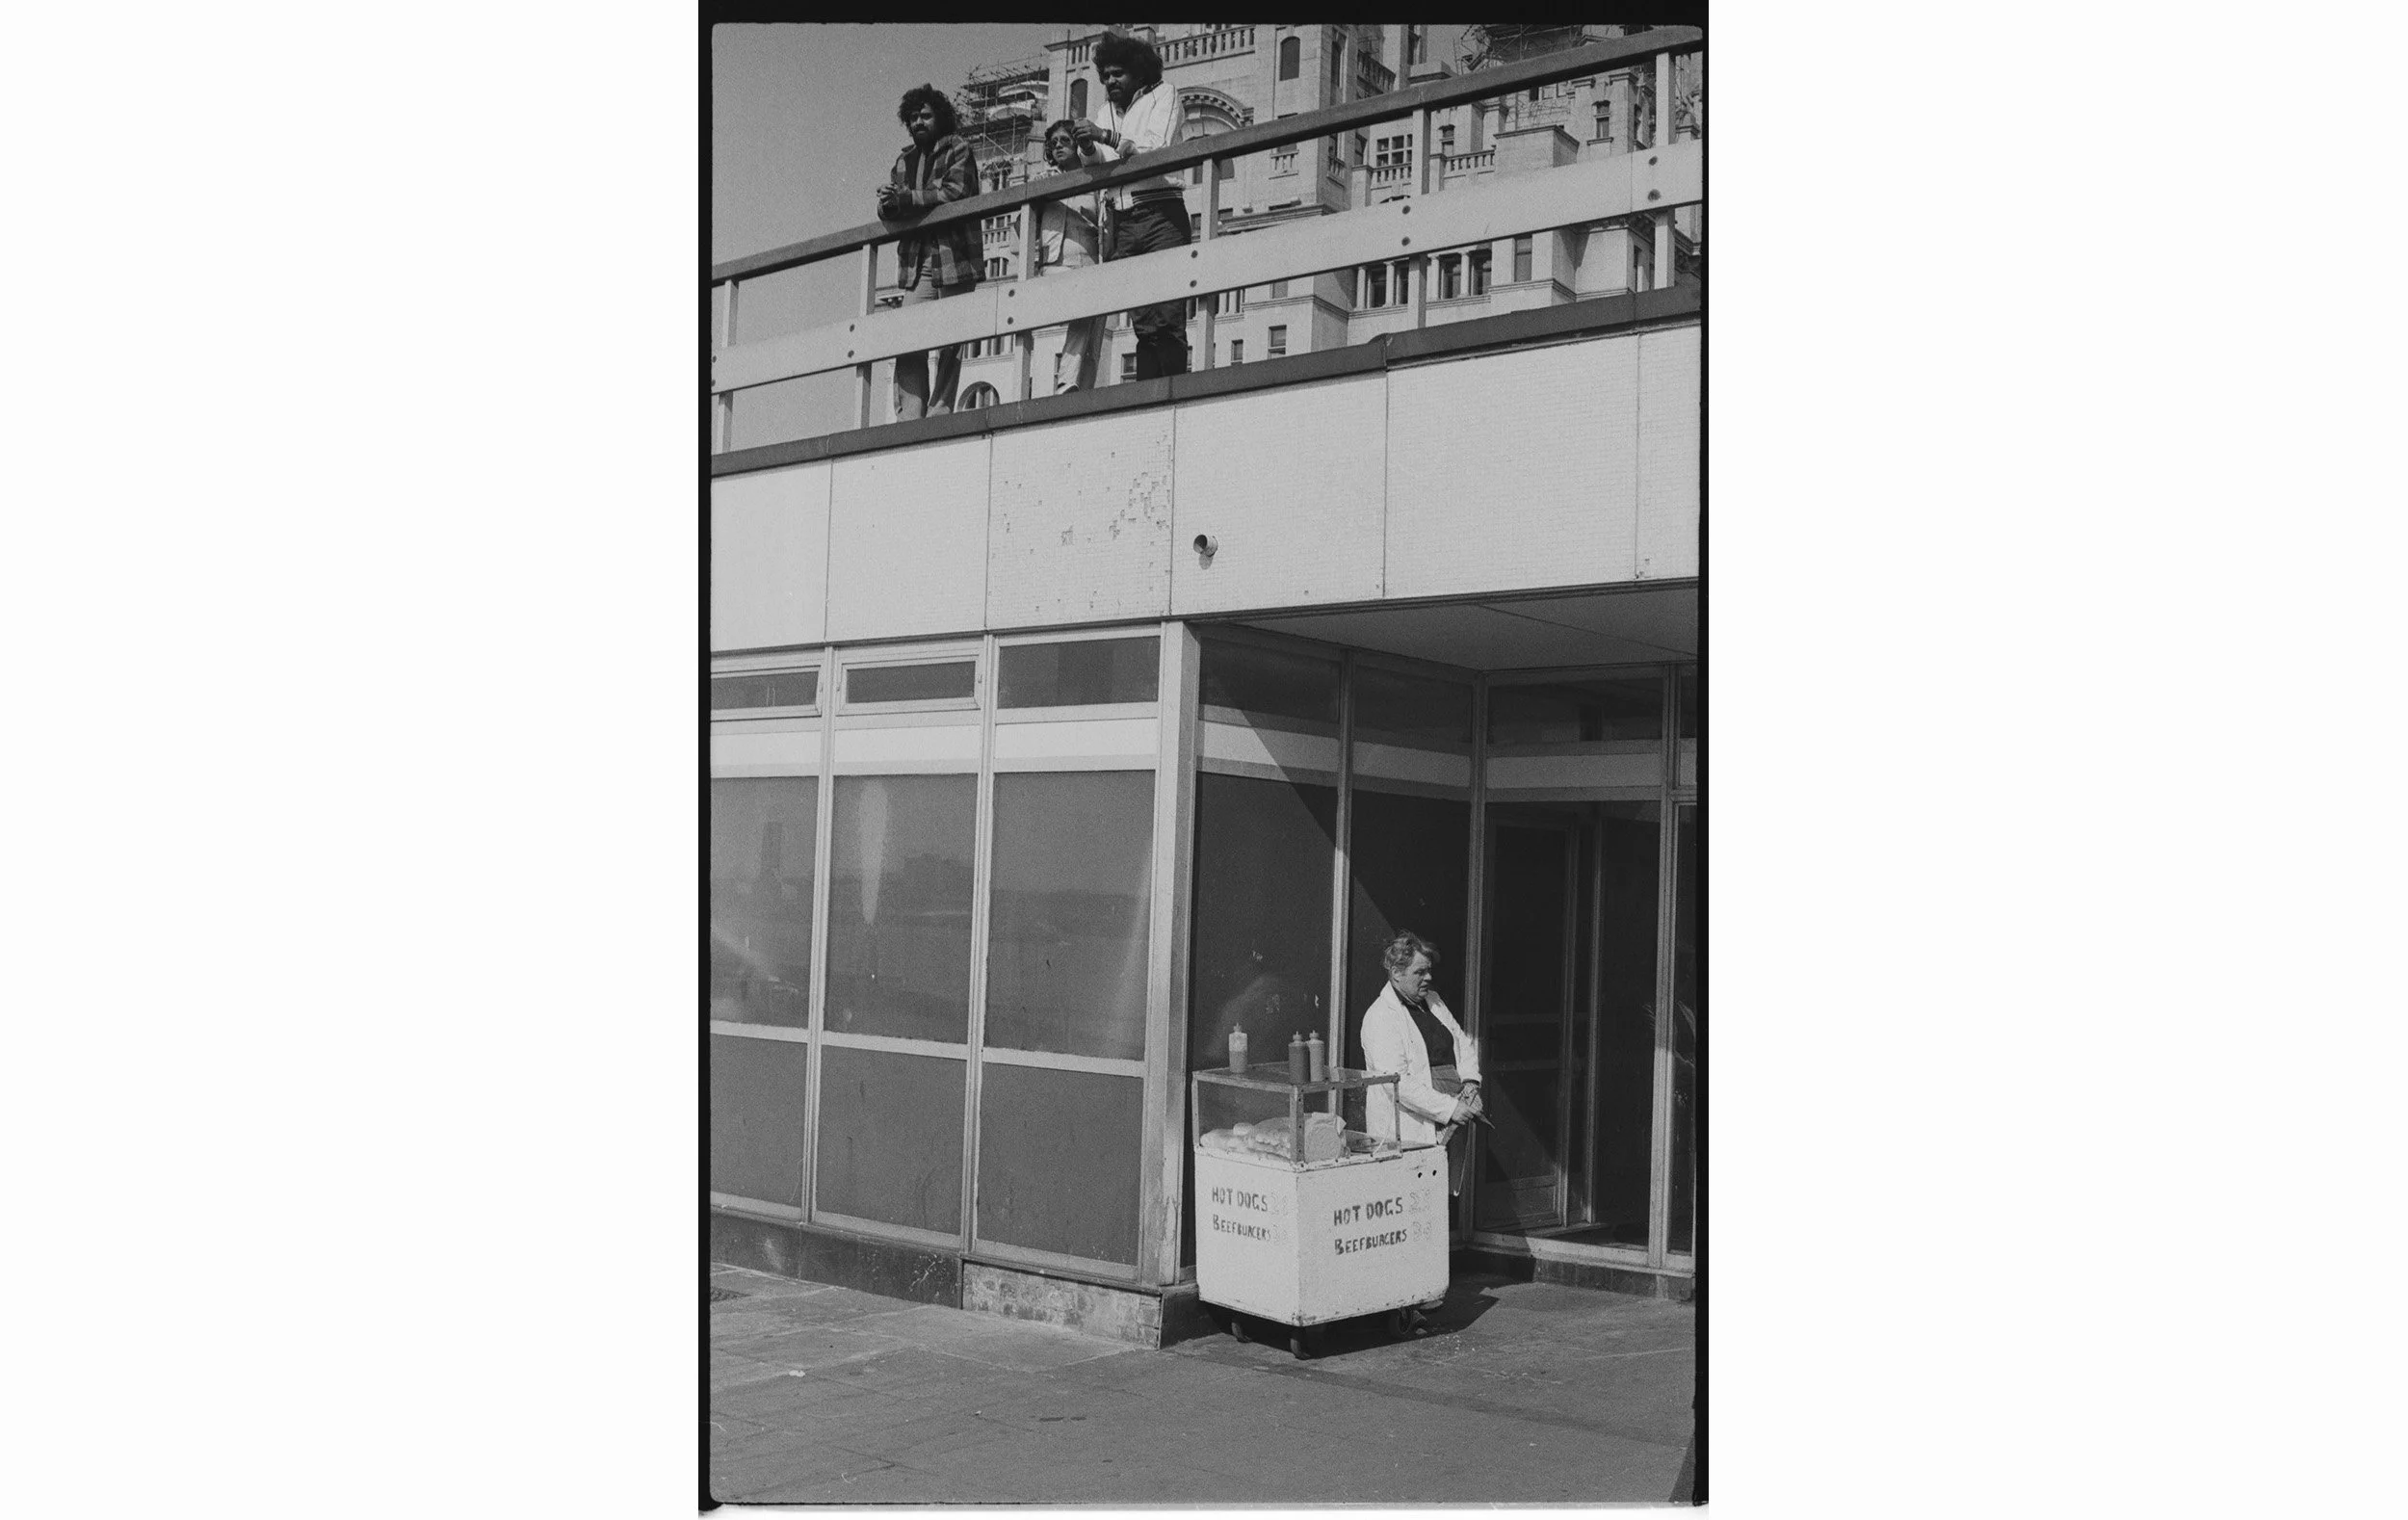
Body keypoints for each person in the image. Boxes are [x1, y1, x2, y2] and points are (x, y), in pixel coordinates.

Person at [1359, 930, 1484, 1333]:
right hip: (1408, 1127)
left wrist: (1471, 1082)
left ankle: (1424, 1291)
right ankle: (1401, 1303)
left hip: (1445, 1118)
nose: (1428, 978)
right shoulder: (1381, 1018)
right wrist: (1450, 1108)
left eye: (1429, 971)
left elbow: (1462, 1041)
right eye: (1420, 972)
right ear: (1396, 973)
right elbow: (1399, 1084)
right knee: (1407, 1214)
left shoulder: (1432, 1002)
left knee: (1430, 1208)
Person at [1070, 32, 1190, 379]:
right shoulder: (1104, 110)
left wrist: (1103, 136)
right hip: (1120, 220)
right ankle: (1147, 394)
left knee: (1168, 314)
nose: (1110, 81)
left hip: (1160, 213)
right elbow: (1097, 163)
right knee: (1142, 320)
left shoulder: (1163, 95)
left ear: (1138, 72)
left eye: (1118, 73)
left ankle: (1173, 393)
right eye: (1106, 75)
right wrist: (1088, 146)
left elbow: (1154, 148)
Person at [877, 84, 982, 419]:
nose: (918, 122)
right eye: (913, 118)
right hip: (918, 259)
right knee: (908, 336)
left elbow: (955, 191)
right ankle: (910, 413)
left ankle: (941, 409)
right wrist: (889, 203)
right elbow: (892, 209)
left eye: (925, 115)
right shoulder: (904, 159)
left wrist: (907, 198)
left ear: (940, 117)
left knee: (952, 338)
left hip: (955, 255)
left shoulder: (957, 148)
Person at [1033, 119, 1107, 393]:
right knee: (1083, 311)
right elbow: (1022, 228)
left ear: (1077, 144)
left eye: (1065, 141)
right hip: (1054, 264)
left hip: (1088, 261)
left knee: (1091, 324)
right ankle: (1065, 380)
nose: (1058, 147)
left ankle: (1077, 388)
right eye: (1053, 143)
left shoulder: (1093, 176)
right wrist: (1036, 194)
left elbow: (1104, 219)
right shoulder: (1045, 180)